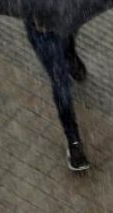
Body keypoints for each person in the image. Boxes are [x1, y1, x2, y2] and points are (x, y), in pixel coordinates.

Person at [24, 18, 89, 171]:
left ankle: (74, 142)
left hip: (44, 30)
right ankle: (71, 58)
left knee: (60, 82)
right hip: (63, 15)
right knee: (67, 32)